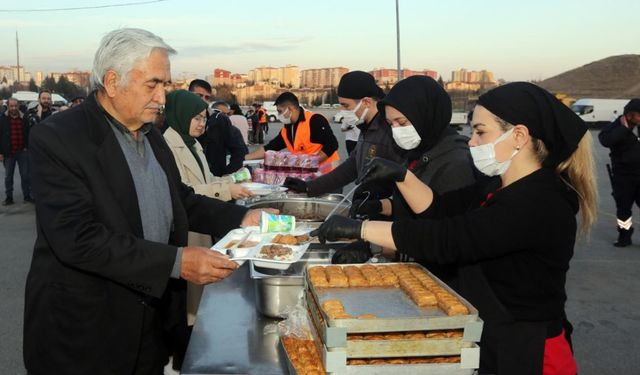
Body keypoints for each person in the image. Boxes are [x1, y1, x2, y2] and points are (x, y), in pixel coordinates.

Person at [23, 28, 269, 375]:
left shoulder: (151, 135)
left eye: (165, 85)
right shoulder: (59, 138)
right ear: (112, 82)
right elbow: (78, 238)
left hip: (150, 327)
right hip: (88, 333)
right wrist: (177, 262)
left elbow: (179, 199)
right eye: (152, 84)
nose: (163, 97)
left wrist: (241, 219)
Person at [312, 82, 598, 375]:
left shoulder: (538, 201)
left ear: (519, 136)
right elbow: (439, 210)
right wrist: (401, 175)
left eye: (481, 132)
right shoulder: (496, 186)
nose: (472, 142)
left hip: (528, 350)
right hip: (493, 335)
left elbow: (449, 238)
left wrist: (360, 230)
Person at [163, 90, 252, 326]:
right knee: (188, 301)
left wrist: (230, 182)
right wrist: (225, 191)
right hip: (188, 226)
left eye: (204, 119)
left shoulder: (192, 143)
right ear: (181, 115)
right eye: (197, 119)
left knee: (200, 298)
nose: (202, 124)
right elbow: (184, 192)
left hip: (203, 222)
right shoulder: (168, 146)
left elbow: (207, 179)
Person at [282, 71, 404, 202]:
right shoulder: (367, 126)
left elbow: (404, 177)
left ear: (366, 102)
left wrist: (384, 204)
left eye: (346, 106)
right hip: (372, 204)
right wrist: (309, 187)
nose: (343, 110)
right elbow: (351, 166)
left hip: (387, 210)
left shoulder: (389, 129)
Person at [245, 92, 340, 173]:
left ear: (290, 108)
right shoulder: (287, 129)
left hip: (328, 173)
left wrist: (309, 163)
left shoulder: (314, 120)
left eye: (280, 111)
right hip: (308, 175)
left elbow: (332, 144)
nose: (279, 115)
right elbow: (269, 148)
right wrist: (245, 158)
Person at [598, 98, 640, 247]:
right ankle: (625, 234)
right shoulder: (616, 126)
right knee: (623, 208)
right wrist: (624, 129)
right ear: (629, 115)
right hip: (623, 176)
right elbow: (605, 140)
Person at [202, 100, 248, 177]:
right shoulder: (202, 130)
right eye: (221, 113)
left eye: (228, 114)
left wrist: (228, 172)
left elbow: (240, 153)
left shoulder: (234, 131)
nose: (224, 117)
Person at [0, 97, 32, 205]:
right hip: (8, 153)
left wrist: (27, 147)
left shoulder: (24, 118)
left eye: (15, 106)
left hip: (22, 152)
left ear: (18, 106)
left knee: (25, 175)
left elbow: (28, 133)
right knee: (8, 176)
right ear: (8, 106)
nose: (13, 108)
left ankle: (27, 196)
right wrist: (0, 153)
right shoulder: (2, 118)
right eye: (11, 106)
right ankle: (9, 198)